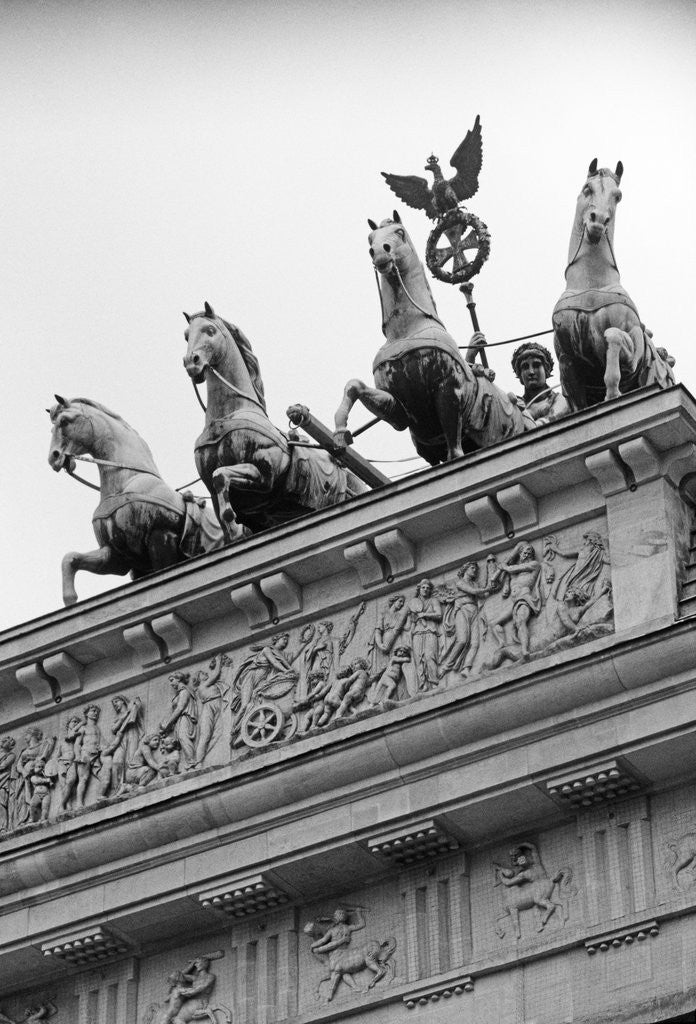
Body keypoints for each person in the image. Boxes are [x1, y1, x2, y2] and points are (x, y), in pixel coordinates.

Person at [511, 342, 569, 423]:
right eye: (525, 367)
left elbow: (548, 421)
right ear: (520, 374)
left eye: (536, 365)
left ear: (546, 370)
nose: (531, 372)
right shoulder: (516, 406)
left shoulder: (559, 400)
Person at [407, 579, 442, 690]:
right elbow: (412, 621)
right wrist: (409, 636)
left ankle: (434, 682)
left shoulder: (433, 601)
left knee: (429, 656)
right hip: (417, 632)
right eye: (423, 587)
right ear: (419, 589)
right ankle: (423, 685)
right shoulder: (415, 602)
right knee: (418, 659)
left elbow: (439, 614)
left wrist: (425, 615)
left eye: (428, 588)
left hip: (430, 630)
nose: (425, 589)